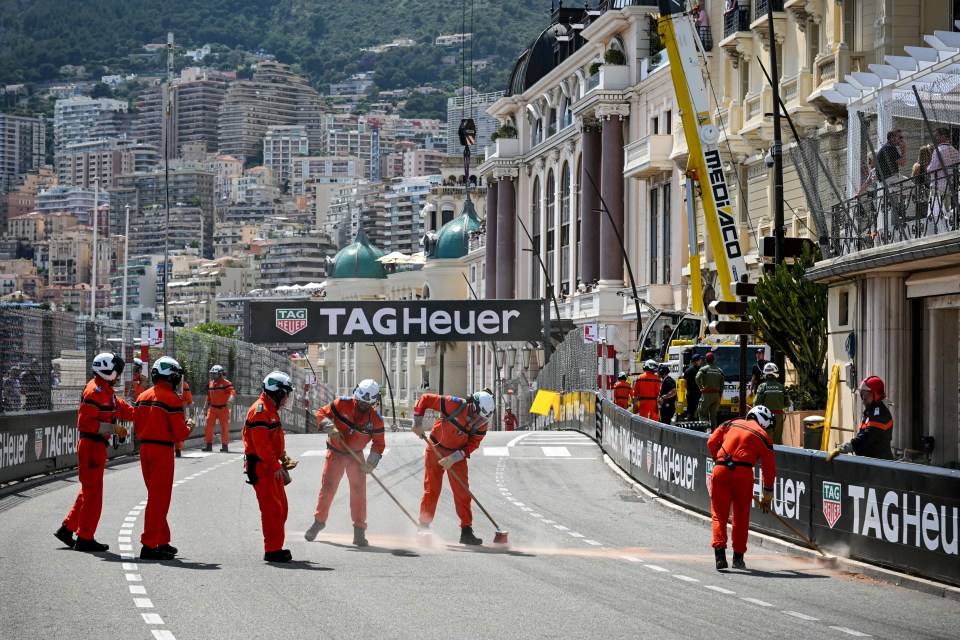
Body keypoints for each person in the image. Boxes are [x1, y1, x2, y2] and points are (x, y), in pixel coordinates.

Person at [54, 353, 134, 552]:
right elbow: (85, 423)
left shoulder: (105, 390)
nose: (118, 375)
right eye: (117, 371)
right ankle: (85, 538)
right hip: (91, 446)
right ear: (107, 370)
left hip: (96, 446)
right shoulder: (94, 391)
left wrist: (144, 410)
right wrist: (113, 429)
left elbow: (121, 408)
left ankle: (68, 528)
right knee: (93, 495)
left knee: (88, 491)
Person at [305, 379, 385, 547]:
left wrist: (371, 462)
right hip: (335, 453)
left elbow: (379, 444)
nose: (363, 405)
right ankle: (318, 522)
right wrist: (330, 427)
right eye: (361, 401)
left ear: (373, 402)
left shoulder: (376, 420)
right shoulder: (341, 403)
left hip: (356, 458)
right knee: (327, 489)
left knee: (358, 493)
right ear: (356, 396)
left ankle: (359, 531)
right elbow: (321, 413)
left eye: (367, 403)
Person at [412, 390, 493, 545]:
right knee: (432, 490)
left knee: (463, 492)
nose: (478, 420)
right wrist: (417, 423)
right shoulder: (453, 404)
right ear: (472, 406)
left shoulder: (482, 425)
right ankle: (423, 528)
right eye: (478, 415)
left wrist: (455, 457)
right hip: (435, 447)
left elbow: (473, 444)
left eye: (483, 418)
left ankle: (466, 531)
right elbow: (425, 399)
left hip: (457, 456)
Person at [135, 357, 193, 561]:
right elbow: (179, 433)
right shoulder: (171, 399)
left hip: (145, 449)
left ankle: (162, 540)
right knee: (159, 500)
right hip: (162, 451)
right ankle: (149, 545)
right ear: (172, 378)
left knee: (155, 497)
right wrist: (189, 427)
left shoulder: (142, 396)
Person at [707, 406, 776, 571]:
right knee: (741, 515)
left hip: (721, 468)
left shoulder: (729, 423)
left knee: (718, 514)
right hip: (744, 473)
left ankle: (719, 555)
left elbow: (711, 442)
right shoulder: (764, 437)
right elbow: (769, 469)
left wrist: (717, 458)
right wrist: (768, 493)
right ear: (763, 421)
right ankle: (738, 558)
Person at [243, 371, 298, 563]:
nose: (286, 399)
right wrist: (276, 466)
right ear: (276, 392)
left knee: (281, 508)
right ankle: (272, 550)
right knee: (272, 510)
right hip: (263, 468)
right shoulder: (260, 411)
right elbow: (262, 447)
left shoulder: (270, 410)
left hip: (271, 466)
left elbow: (272, 442)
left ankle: (276, 546)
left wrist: (282, 456)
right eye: (284, 394)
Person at [827, 376, 894, 462]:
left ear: (876, 394)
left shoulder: (880, 414)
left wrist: (846, 447)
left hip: (880, 465)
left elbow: (867, 437)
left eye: (867, 394)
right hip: (871, 463)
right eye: (862, 394)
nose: (864, 397)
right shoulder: (870, 411)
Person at [753, 363, 789, 445]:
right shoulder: (781, 387)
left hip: (765, 417)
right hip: (779, 417)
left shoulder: (762, 387)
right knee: (777, 441)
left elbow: (756, 403)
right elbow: (788, 404)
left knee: (766, 442)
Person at [204, 364, 236, 452]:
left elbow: (232, 392)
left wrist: (230, 400)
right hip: (212, 408)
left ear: (220, 374)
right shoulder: (210, 384)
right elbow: (208, 397)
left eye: (215, 374)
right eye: (212, 374)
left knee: (224, 427)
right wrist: (205, 408)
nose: (213, 376)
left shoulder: (226, 383)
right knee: (208, 426)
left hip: (223, 409)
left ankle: (225, 446)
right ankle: (208, 445)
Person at [696, 352, 725, 429]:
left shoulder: (704, 369)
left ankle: (705, 429)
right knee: (713, 416)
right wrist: (719, 397)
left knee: (702, 413)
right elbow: (722, 386)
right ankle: (713, 432)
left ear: (705, 360)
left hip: (706, 395)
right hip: (716, 396)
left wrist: (701, 388)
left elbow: (697, 378)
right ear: (714, 360)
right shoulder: (720, 371)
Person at [175, 378, 194, 458]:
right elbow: (189, 401)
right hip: (177, 411)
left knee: (179, 430)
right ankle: (178, 450)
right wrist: (192, 411)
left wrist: (192, 411)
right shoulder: (184, 385)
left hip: (177, 411)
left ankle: (178, 450)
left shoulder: (184, 386)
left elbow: (189, 400)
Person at [682, 353, 703, 420]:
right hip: (699, 394)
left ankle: (689, 427)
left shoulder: (687, 370)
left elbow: (685, 384)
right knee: (700, 411)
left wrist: (689, 389)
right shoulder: (701, 370)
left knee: (690, 411)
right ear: (698, 360)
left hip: (690, 394)